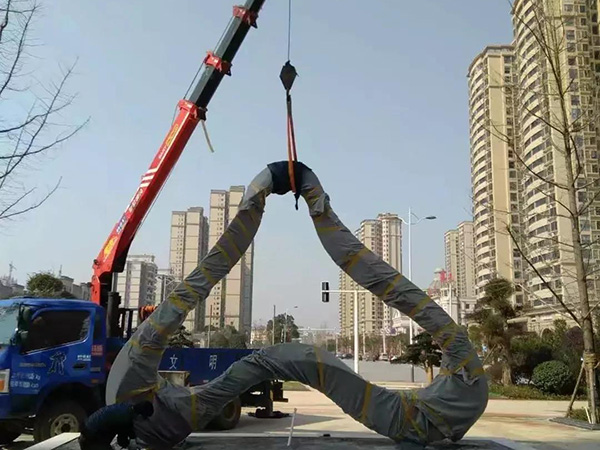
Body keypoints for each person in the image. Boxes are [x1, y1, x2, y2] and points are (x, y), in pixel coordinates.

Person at [80, 162, 488, 450]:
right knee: (275, 358)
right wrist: (299, 188)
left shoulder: (135, 396)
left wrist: (281, 184)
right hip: (440, 408)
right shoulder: (143, 404)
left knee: (270, 354)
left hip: (432, 415)